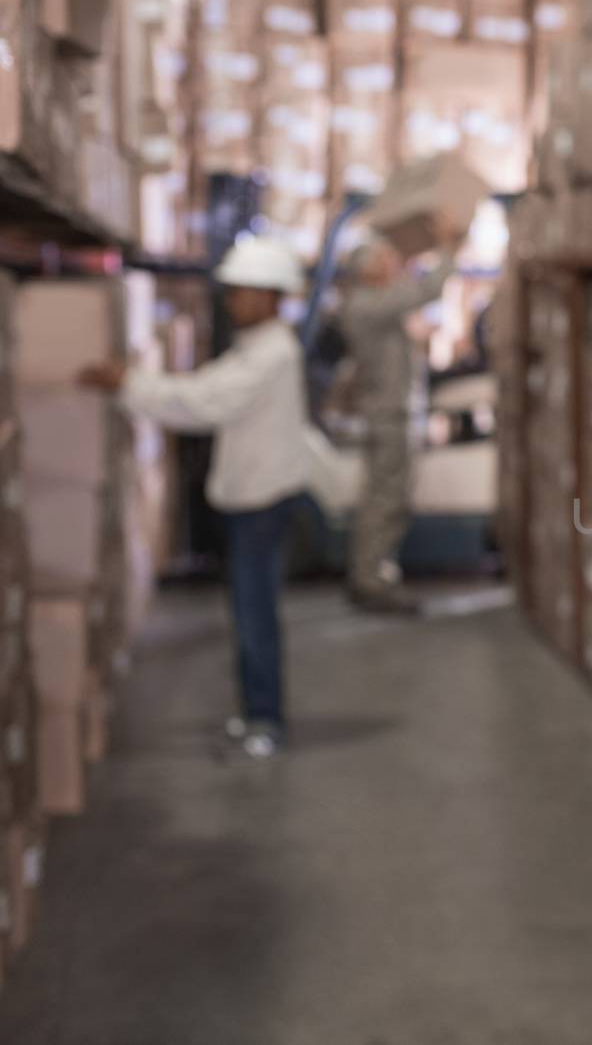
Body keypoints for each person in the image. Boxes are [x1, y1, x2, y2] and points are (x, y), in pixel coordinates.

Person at [79, 236, 312, 760]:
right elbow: (206, 385)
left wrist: (127, 384)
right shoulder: (257, 347)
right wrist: (135, 383)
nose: (233, 303)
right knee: (246, 610)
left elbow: (204, 402)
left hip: (261, 502)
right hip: (250, 498)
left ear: (273, 297)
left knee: (255, 615)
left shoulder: (273, 354)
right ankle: (256, 709)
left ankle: (267, 720)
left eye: (244, 293)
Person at [339, 214, 467, 613]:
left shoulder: (378, 306)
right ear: (367, 269)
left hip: (395, 414)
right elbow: (426, 289)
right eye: (384, 259)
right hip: (389, 418)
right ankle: (369, 579)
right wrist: (448, 248)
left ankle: (376, 573)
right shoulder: (365, 305)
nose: (392, 263)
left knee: (393, 498)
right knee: (385, 501)